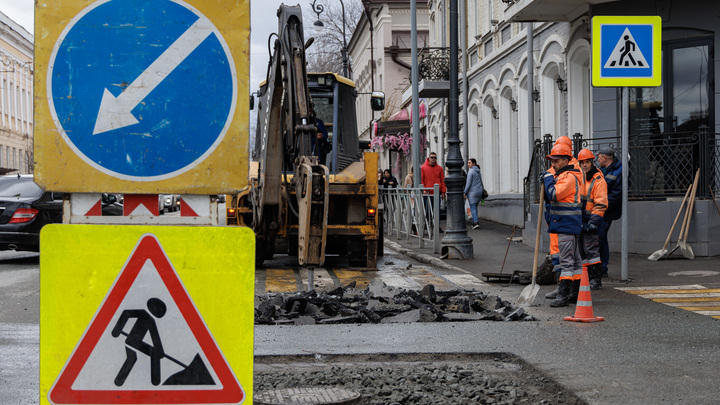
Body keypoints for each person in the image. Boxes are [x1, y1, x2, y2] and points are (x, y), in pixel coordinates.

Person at [540, 143, 583, 307]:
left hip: (567, 224)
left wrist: (548, 180)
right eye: (552, 161)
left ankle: (564, 295)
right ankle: (575, 293)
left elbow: (554, 195)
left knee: (566, 261)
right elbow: (550, 198)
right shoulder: (566, 176)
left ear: (566, 160)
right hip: (568, 223)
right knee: (576, 261)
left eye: (556, 161)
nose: (553, 164)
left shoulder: (568, 177)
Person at [112, 298, 167, 386]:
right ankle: (119, 381)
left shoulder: (151, 321)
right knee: (132, 358)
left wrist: (160, 351)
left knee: (154, 353)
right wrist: (117, 330)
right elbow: (126, 313)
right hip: (132, 340)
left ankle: (155, 380)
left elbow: (155, 338)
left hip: (136, 342)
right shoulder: (143, 313)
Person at [578, 149, 608, 290]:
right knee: (583, 252)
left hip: (592, 220)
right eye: (582, 162)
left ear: (592, 162)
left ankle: (596, 279)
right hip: (583, 220)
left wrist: (593, 222)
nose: (584, 165)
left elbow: (601, 203)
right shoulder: (581, 178)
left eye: (587, 162)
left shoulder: (598, 180)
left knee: (592, 251)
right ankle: (587, 278)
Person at [596, 147, 622, 278]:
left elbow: (617, 195)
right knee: (601, 238)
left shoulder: (619, 171)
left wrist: (601, 203)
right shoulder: (604, 170)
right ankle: (601, 267)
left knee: (599, 238)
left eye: (598, 157)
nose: (597, 160)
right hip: (601, 209)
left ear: (604, 158)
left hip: (607, 210)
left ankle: (601, 268)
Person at [421, 152, 446, 231]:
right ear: (429, 158)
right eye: (432, 157)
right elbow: (422, 180)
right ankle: (428, 224)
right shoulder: (423, 167)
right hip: (427, 193)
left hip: (436, 192)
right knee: (428, 209)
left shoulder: (440, 168)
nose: (433, 159)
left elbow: (442, 180)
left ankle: (436, 226)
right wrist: (424, 189)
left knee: (437, 210)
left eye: (435, 158)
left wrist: (443, 192)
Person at [464, 158, 485, 230]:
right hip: (479, 192)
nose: (468, 164)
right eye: (468, 163)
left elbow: (468, 183)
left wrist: (465, 192)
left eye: (470, 163)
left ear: (474, 164)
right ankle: (474, 221)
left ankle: (475, 222)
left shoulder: (471, 172)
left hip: (472, 192)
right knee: (475, 207)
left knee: (472, 207)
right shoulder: (478, 172)